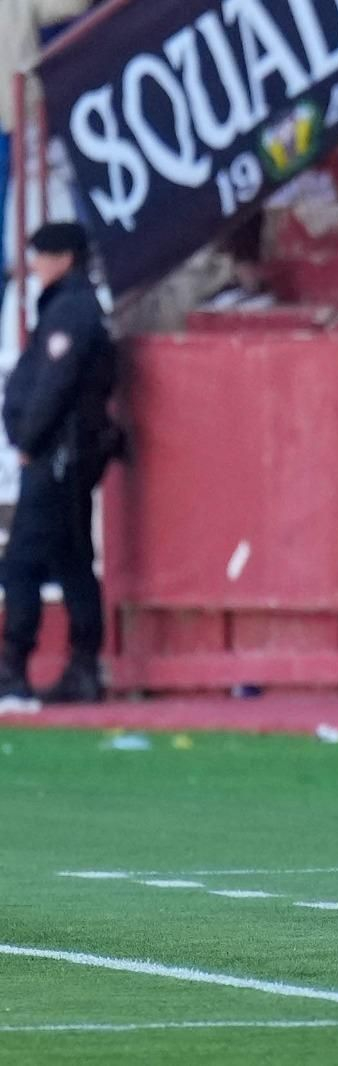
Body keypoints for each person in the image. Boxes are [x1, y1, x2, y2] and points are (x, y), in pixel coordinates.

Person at [0, 222, 118, 711]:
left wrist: (29, 439)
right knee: (71, 560)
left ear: (65, 258)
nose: (36, 266)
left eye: (43, 256)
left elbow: (55, 383)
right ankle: (84, 667)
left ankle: (13, 669)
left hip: (57, 454)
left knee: (22, 562)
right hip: (68, 452)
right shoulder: (73, 307)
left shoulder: (71, 311)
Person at [0, 1, 92, 279]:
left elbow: (71, 6)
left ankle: (83, 261)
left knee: (70, 169)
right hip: (21, 110)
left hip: (25, 109)